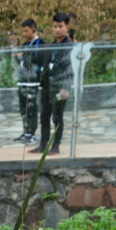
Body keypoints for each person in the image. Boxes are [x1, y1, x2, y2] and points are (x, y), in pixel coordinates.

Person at [30, 13, 74, 156]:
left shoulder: (70, 47)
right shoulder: (51, 46)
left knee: (57, 117)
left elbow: (70, 69)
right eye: (55, 26)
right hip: (47, 86)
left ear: (67, 27)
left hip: (60, 87)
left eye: (60, 26)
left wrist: (65, 88)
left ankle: (55, 146)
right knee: (44, 116)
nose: (57, 29)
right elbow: (44, 67)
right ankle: (43, 145)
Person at [13, 18, 44, 145]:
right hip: (22, 81)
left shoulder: (40, 43)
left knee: (31, 108)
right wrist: (16, 57)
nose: (24, 34)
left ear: (34, 29)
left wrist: (25, 57)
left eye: (26, 31)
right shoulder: (25, 45)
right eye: (23, 31)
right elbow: (22, 63)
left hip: (33, 81)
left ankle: (32, 133)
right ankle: (26, 131)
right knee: (23, 108)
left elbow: (41, 62)